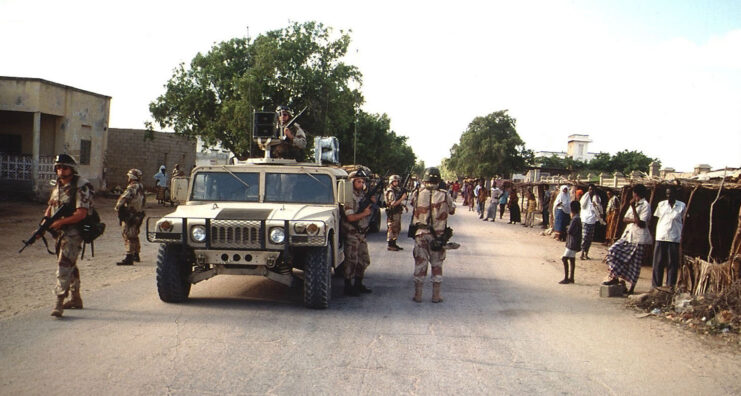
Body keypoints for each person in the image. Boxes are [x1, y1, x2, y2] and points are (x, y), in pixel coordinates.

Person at [45, 154, 94, 317]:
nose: (60, 170)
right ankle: (75, 298)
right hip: (59, 233)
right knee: (69, 264)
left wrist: (60, 222)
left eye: (64, 167)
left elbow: (81, 214)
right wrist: (42, 226)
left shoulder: (81, 186)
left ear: (72, 169)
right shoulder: (57, 186)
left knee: (63, 265)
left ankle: (59, 302)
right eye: (58, 167)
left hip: (74, 232)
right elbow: (50, 208)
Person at [410, 167, 455, 303]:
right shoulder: (445, 194)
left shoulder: (417, 193)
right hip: (438, 237)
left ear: (424, 180)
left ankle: (418, 295)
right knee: (437, 264)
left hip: (421, 234)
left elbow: (413, 205)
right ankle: (436, 296)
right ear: (438, 180)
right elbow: (452, 210)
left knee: (420, 263)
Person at [603, 184, 652, 295]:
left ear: (637, 194)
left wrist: (634, 210)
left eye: (634, 193)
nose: (633, 195)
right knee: (613, 250)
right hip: (628, 235)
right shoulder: (633, 204)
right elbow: (624, 219)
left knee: (635, 264)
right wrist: (634, 218)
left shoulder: (645, 205)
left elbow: (641, 223)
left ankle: (632, 288)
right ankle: (615, 277)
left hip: (639, 238)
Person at [341, 169, 376, 296]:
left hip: (361, 232)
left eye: (362, 181)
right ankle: (348, 286)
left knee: (364, 260)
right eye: (358, 181)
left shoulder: (361, 195)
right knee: (351, 260)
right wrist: (364, 213)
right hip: (352, 232)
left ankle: (358, 283)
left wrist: (372, 202)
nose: (361, 184)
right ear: (351, 182)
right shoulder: (348, 197)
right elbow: (350, 218)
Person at [652, 187, 686, 289]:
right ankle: (656, 286)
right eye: (667, 194)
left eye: (671, 194)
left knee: (672, 263)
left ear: (675, 194)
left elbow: (683, 220)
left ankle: (670, 285)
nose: (669, 196)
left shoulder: (682, 205)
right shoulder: (661, 204)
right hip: (661, 236)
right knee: (658, 262)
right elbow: (656, 219)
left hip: (674, 237)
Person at [114, 169, 146, 266]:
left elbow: (123, 199)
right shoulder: (141, 187)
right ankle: (136, 254)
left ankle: (129, 257)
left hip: (131, 215)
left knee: (128, 235)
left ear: (132, 177)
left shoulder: (132, 187)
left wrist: (117, 207)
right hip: (139, 215)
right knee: (134, 234)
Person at [560, 200, 582, 284]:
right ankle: (571, 277)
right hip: (575, 242)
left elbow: (570, 231)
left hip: (571, 243)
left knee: (564, 258)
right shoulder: (578, 218)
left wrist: (567, 228)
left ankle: (566, 278)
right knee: (572, 259)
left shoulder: (575, 219)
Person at [384, 174, 407, 251]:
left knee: (396, 228)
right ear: (391, 182)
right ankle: (390, 244)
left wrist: (403, 205)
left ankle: (394, 243)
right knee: (392, 228)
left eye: (397, 181)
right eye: (394, 181)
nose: (396, 183)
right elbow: (393, 204)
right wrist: (402, 198)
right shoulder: (390, 191)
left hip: (396, 212)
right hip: (393, 212)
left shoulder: (395, 190)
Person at [579, 184, 602, 260]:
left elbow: (600, 209)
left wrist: (596, 205)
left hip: (592, 220)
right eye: (590, 189)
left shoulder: (597, 198)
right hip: (585, 219)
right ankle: (582, 253)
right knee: (584, 237)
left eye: (592, 189)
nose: (591, 191)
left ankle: (586, 254)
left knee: (590, 238)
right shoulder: (585, 197)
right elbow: (582, 205)